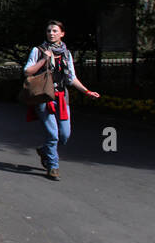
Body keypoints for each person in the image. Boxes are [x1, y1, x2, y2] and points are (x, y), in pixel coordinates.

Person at [24, 20, 99, 180]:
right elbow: (27, 72)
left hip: (61, 97)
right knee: (53, 134)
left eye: (55, 31)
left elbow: (71, 78)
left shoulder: (66, 53)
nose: (51, 33)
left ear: (62, 33)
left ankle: (44, 150)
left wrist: (87, 91)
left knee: (64, 135)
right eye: (49, 31)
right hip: (44, 98)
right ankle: (53, 166)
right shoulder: (38, 51)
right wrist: (44, 60)